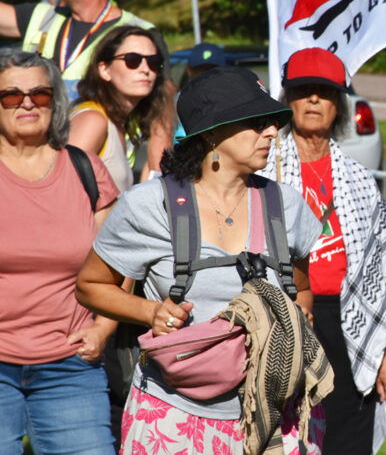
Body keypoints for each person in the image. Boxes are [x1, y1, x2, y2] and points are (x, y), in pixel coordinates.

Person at [75, 66, 328, 455]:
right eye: (257, 123)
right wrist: (150, 311)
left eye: (273, 123)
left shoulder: (286, 206)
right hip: (172, 416)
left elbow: (302, 289)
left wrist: (297, 319)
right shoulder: (149, 205)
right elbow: (90, 285)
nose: (272, 133)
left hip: (277, 418)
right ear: (211, 132)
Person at [258, 47, 386, 454]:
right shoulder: (262, 172)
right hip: (285, 317)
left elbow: (380, 271)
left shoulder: (358, 179)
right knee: (285, 436)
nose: (313, 99)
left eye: (324, 92)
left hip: (347, 321)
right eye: (302, 90)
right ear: (287, 100)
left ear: (338, 104)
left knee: (347, 439)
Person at [0, 48, 119, 455]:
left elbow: (121, 262)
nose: (27, 103)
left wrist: (103, 328)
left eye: (40, 94)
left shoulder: (85, 169)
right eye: (11, 96)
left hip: (71, 366)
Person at [0, 0, 173, 179]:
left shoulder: (140, 36)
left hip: (100, 179)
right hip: (26, 172)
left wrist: (158, 187)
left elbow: (161, 121)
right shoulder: (42, 17)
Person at [70, 25, 169, 193]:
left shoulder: (121, 123)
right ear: (105, 70)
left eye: (153, 62)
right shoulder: (93, 120)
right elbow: (62, 188)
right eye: (132, 60)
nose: (145, 69)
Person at [172, 42, 226, 141]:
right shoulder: (173, 104)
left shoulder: (233, 103)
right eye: (200, 70)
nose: (206, 75)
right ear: (189, 71)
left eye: (212, 70)